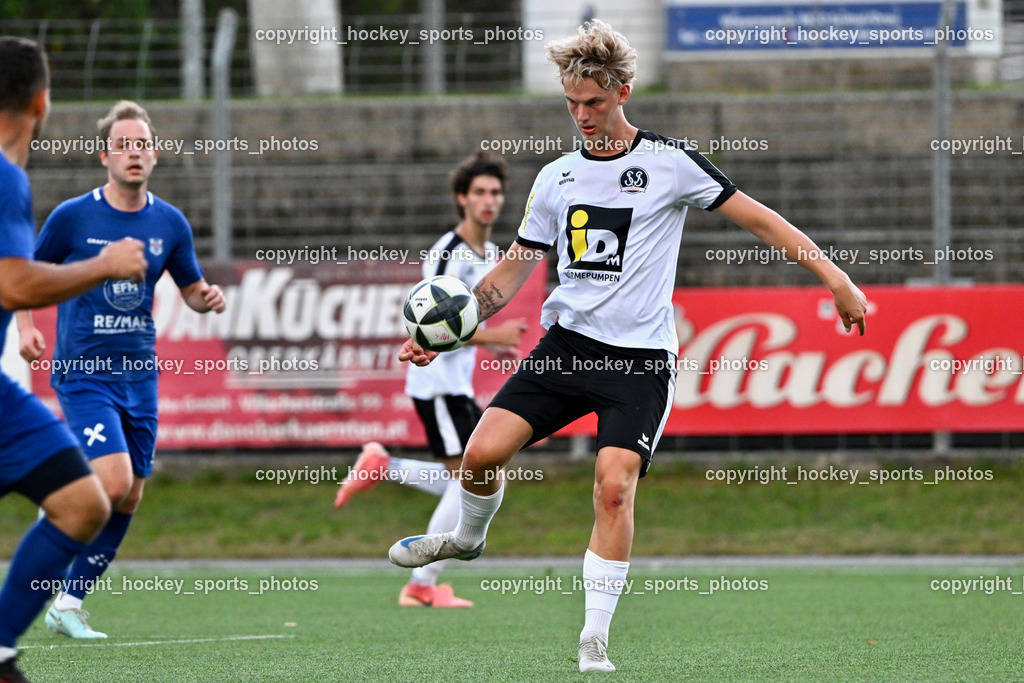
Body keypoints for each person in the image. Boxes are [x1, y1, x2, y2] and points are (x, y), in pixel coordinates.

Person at [389, 19, 868, 673]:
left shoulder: (670, 164)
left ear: (623, 92)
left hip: (639, 362)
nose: (582, 115)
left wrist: (836, 279)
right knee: (479, 456)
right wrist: (442, 335)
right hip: (567, 347)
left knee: (613, 488)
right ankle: (468, 541)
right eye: (571, 103)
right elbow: (510, 273)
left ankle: (593, 638)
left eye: (593, 101)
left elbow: (760, 219)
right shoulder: (556, 179)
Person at [16, 100, 226, 639]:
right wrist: (26, 329)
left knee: (131, 493)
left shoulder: (169, 222)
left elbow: (190, 289)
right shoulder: (73, 217)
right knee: (111, 479)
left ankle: (67, 604)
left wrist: (207, 297)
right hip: (84, 373)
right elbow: (22, 274)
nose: (134, 153)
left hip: (140, 377)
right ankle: (56, 512)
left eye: (143, 144)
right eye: (123, 145)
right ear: (104, 155)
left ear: (154, 156)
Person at [0, 37, 149, 683]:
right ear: (42, 100)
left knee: (83, 501)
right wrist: (104, 266)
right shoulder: (8, 179)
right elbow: (12, 283)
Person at [334, 150, 527, 608]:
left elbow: (464, 322)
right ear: (462, 198)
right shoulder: (448, 252)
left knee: (473, 480)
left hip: (455, 386)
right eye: (479, 192)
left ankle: (386, 468)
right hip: (435, 383)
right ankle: (422, 582)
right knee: (473, 480)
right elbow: (434, 324)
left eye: (496, 192)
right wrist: (493, 334)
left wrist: (491, 342)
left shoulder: (494, 255)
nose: (489, 200)